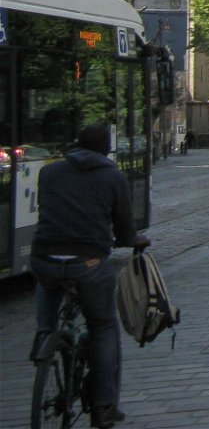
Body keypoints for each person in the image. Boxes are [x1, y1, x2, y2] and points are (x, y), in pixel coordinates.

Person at [31, 123, 149, 429]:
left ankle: (44, 339)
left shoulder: (49, 172)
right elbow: (124, 230)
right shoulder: (113, 176)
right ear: (106, 147)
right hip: (89, 263)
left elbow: (48, 210)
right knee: (103, 327)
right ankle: (103, 407)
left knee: (47, 286)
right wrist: (133, 240)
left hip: (45, 258)